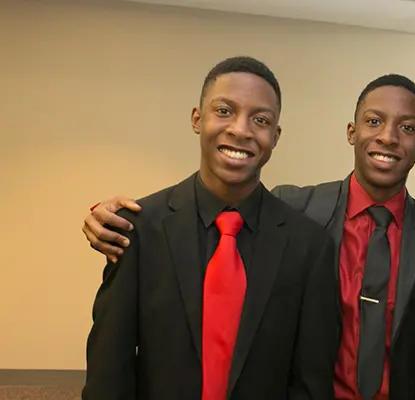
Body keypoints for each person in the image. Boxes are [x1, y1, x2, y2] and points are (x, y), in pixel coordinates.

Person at [80, 74, 415, 400]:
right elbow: (110, 366)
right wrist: (105, 214)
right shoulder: (298, 210)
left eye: (407, 128)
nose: (388, 137)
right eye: (224, 110)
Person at [81, 56, 340, 400]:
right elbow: (109, 372)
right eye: (224, 111)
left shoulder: (309, 246)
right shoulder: (139, 229)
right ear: (196, 119)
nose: (241, 129)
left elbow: (311, 383)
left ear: (275, 136)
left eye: (260, 120)